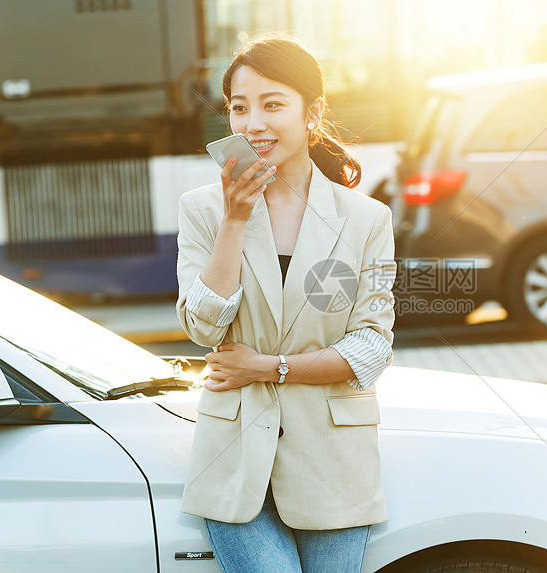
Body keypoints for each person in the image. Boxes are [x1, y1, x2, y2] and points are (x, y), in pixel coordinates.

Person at [175, 35, 396, 573]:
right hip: (233, 464)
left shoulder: (365, 219)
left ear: (312, 112)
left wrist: (266, 368)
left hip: (334, 467)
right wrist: (234, 219)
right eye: (239, 107)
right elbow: (203, 328)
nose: (254, 124)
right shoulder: (203, 210)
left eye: (273, 105)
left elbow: (371, 348)